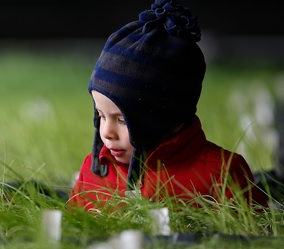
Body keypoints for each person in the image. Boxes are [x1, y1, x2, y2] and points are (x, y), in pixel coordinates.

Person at [69, 0, 268, 211]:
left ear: (166, 117)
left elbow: (251, 238)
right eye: (101, 116)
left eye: (121, 119)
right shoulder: (95, 172)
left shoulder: (222, 174)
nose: (107, 132)